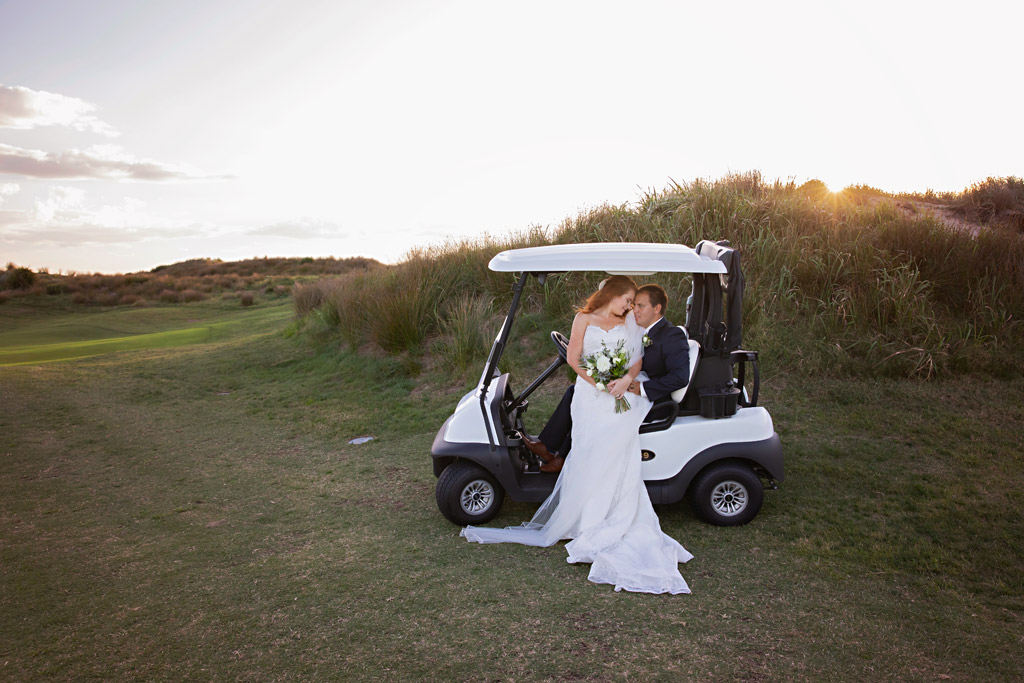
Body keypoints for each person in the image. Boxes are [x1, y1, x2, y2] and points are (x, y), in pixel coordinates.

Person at [461, 276, 692, 594]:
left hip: (623, 391)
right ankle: (558, 463)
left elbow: (637, 360)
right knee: (583, 422)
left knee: (610, 430)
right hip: (593, 387)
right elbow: (574, 358)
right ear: (612, 295)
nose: (630, 306)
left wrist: (623, 380)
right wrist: (597, 381)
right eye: (627, 299)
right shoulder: (583, 318)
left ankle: (585, 493)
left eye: (634, 302)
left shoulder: (629, 321)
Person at [520, 283, 690, 472]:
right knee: (580, 392)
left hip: (653, 398)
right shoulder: (642, 328)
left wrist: (635, 387)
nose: (634, 309)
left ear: (657, 309)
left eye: (640, 306)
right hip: (632, 384)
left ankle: (558, 453)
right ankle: (556, 452)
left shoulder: (671, 335)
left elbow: (679, 378)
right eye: (633, 304)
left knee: (594, 401)